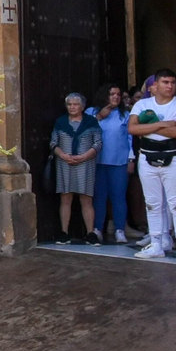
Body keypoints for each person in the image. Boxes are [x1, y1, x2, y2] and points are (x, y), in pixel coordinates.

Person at [128, 69, 176, 262]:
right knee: (153, 203)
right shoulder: (142, 104)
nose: (170, 86)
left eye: (173, 82)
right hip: (147, 156)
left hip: (173, 156)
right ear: (155, 85)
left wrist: (148, 128)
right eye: (165, 82)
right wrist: (162, 124)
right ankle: (156, 243)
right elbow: (133, 128)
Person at [50, 93, 100, 242]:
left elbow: (98, 143)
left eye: (76, 104)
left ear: (83, 107)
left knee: (86, 199)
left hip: (86, 164)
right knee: (65, 197)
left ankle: (90, 233)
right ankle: (64, 233)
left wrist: (84, 156)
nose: (72, 107)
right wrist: (64, 156)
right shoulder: (60, 122)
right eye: (69, 104)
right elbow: (53, 143)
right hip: (65, 163)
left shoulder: (91, 122)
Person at [91, 84, 132, 244]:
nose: (115, 97)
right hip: (97, 162)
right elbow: (83, 130)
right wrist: (99, 117)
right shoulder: (91, 112)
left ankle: (119, 229)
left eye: (118, 95)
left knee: (119, 197)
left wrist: (131, 159)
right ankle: (97, 229)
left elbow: (131, 139)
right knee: (99, 196)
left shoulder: (125, 115)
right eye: (112, 94)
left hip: (119, 162)